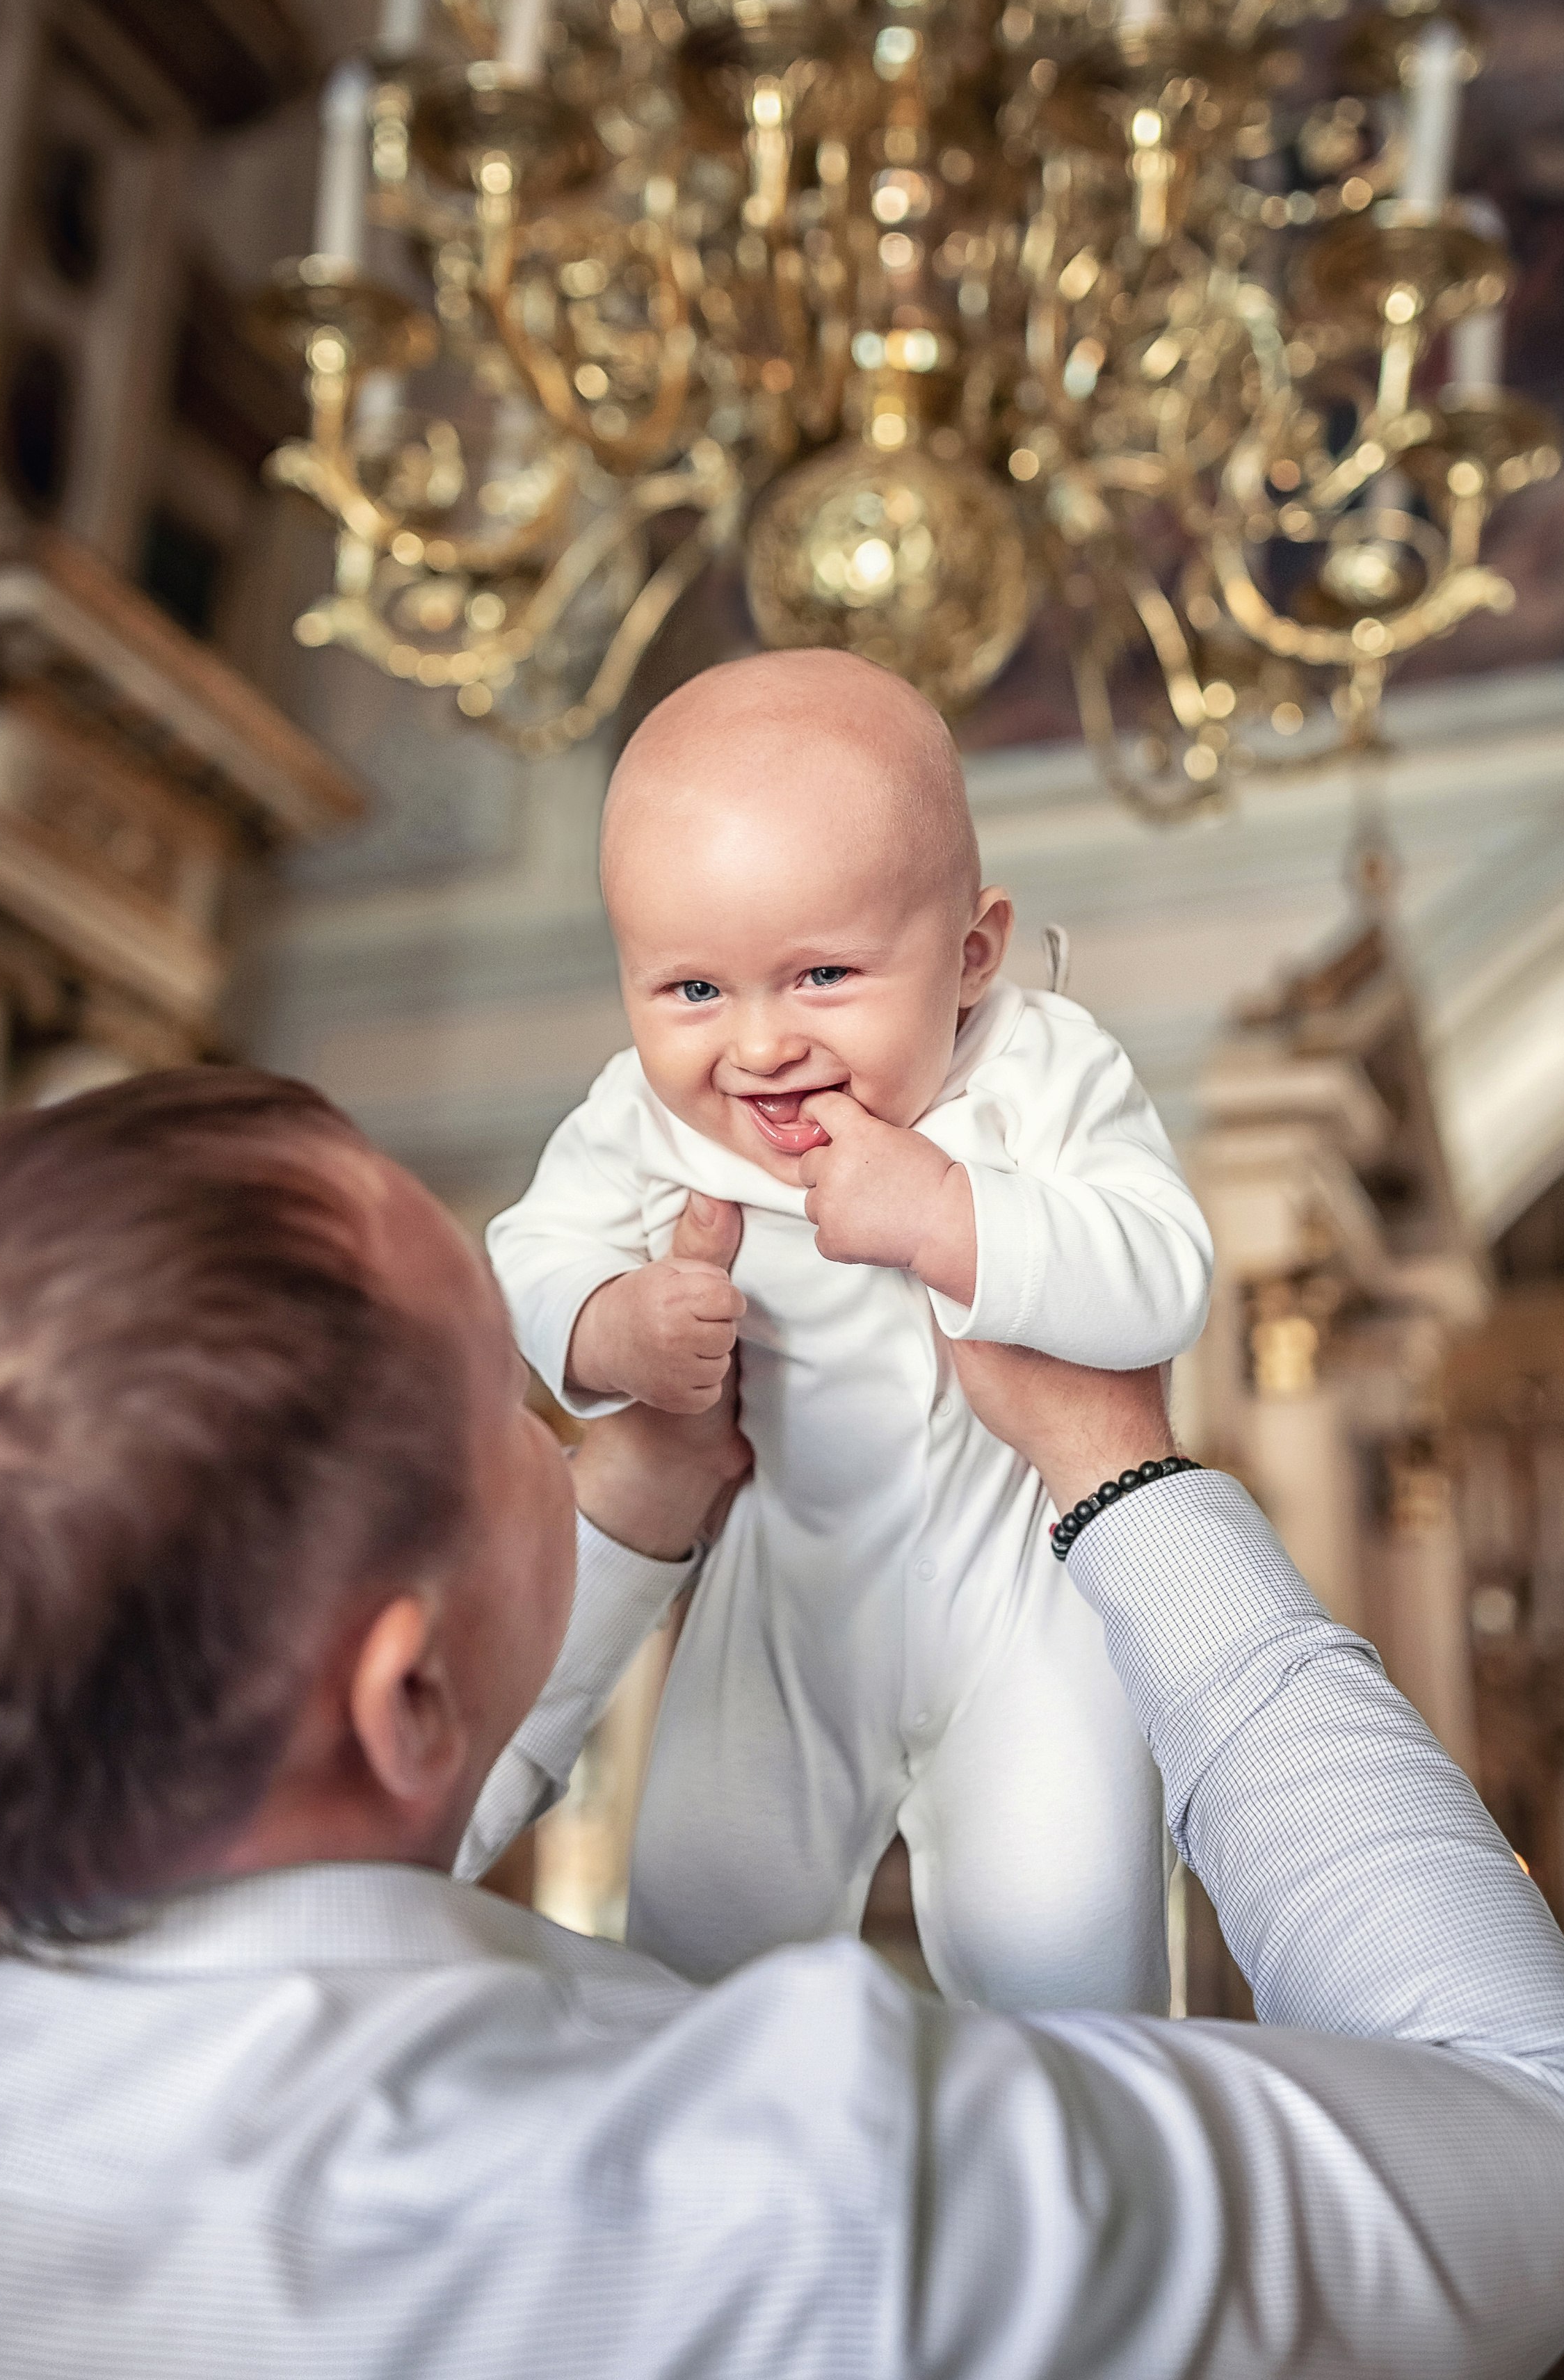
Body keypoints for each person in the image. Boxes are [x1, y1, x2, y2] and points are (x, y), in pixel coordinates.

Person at [0, 1066, 1564, 2379]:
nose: (562, 1429)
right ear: (401, 1690)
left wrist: (640, 1490)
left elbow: (337, 1856)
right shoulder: (811, 2202)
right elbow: (1551, 2139)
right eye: (513, 1409)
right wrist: (1120, 1475)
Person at [490, 651, 1213, 2009]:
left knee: (1065, 1945)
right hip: (786, 1592)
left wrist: (948, 1214)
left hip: (1025, 1596)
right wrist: (609, 1328)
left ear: (970, 957)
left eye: (820, 973)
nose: (756, 1046)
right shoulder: (640, 1121)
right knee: (705, 1926)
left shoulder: (1046, 1071)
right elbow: (530, 1253)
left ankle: (1067, 2173)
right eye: (690, 991)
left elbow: (1162, 1272)